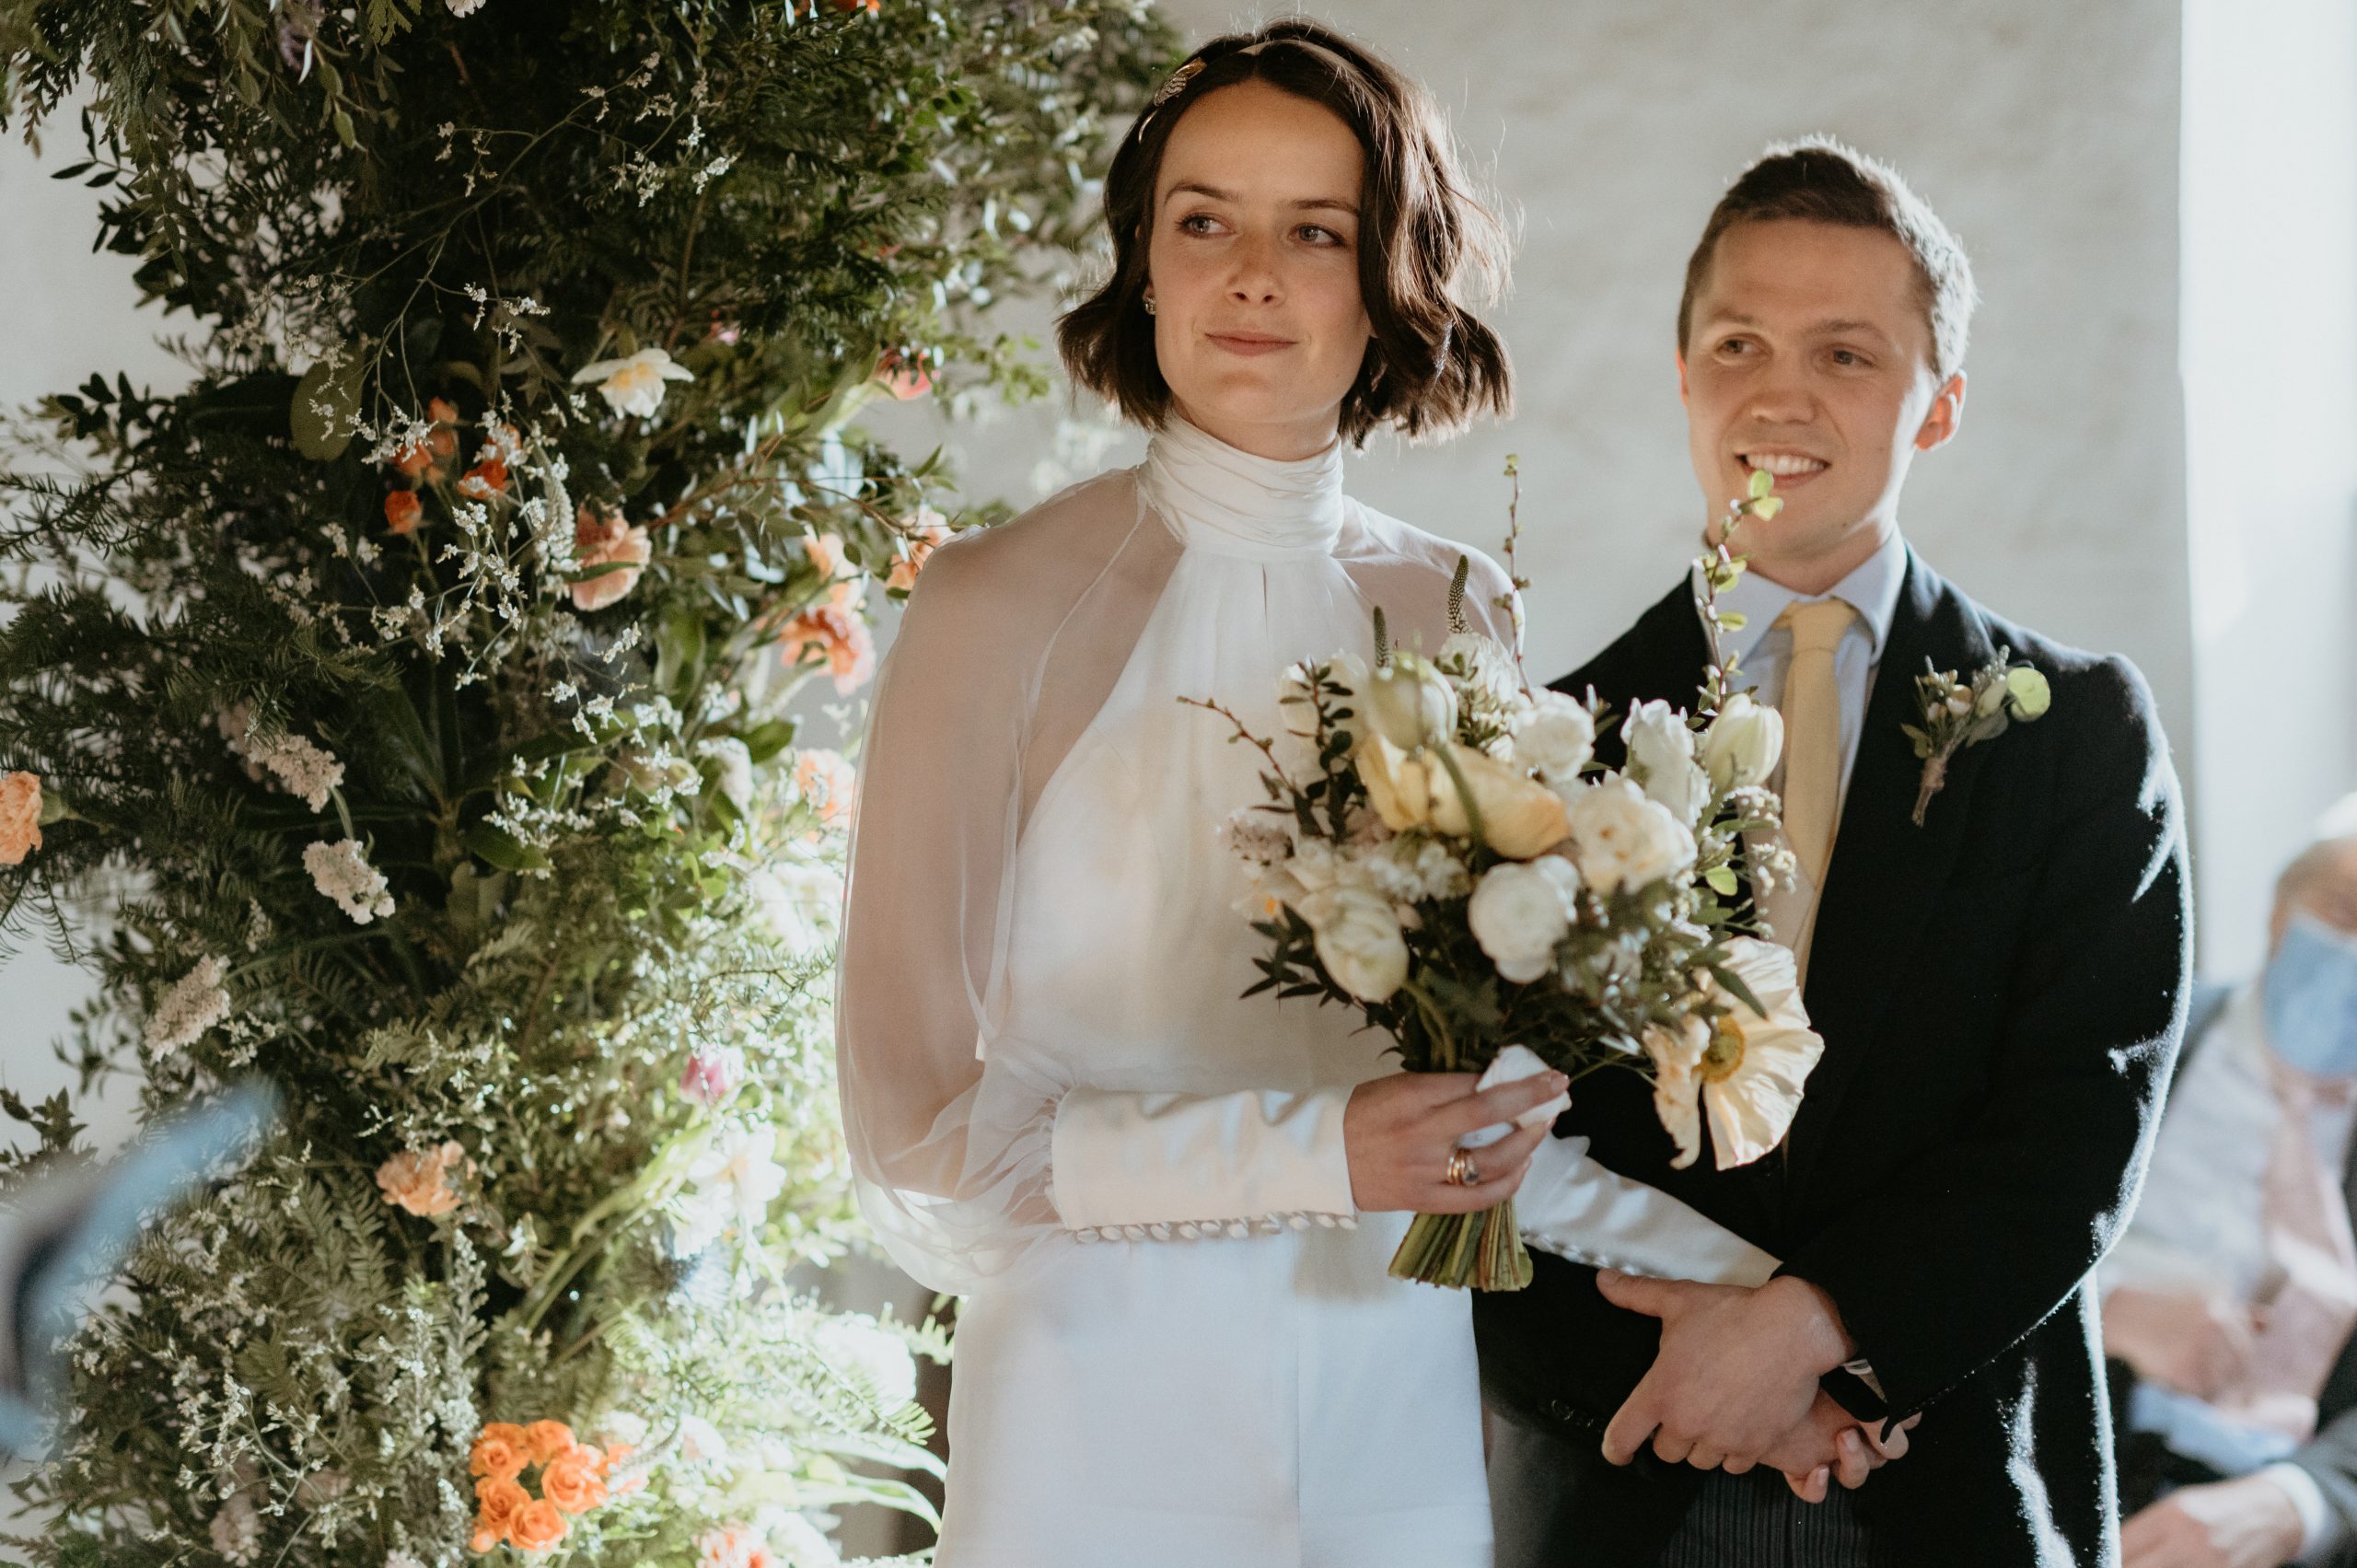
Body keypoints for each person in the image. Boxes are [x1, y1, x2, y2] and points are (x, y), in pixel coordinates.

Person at [835, 22, 1788, 1568]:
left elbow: (1480, 1131)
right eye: (1202, 221)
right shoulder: (995, 607)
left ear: (1390, 279)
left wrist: (1780, 1317)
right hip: (1094, 1426)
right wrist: (1315, 1148)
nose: (1251, 276)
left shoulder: (1456, 608)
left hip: (1391, 1424)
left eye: (1315, 231)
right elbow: (921, 1135)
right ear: (1142, 264)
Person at [1477, 137, 2192, 1566]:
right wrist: (1696, 1388)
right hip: (1628, 1476)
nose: (1780, 391)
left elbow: (2080, 1122)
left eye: (1848, 353)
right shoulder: (1547, 743)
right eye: (1738, 341)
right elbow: (1486, 1139)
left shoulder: (2076, 736)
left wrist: (1823, 1337)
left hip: (1953, 1471)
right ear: (1684, 373)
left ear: (1940, 408)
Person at [2106, 798, 2357, 1568]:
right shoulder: (2128, 1034)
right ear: (2281, 910)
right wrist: (2107, 1310)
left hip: (2270, 1511)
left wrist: (2297, 1501)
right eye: (2344, 909)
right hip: (2070, 1442)